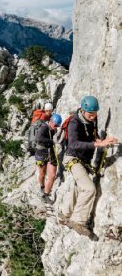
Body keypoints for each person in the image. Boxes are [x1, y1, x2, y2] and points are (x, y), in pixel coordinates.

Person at [58, 96, 118, 240]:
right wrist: (98, 145)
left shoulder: (92, 120)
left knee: (79, 187)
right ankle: (78, 221)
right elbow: (73, 145)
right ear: (83, 110)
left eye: (95, 114)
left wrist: (101, 141)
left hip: (83, 160)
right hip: (73, 159)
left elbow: (93, 136)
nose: (93, 117)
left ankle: (64, 214)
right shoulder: (74, 122)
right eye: (90, 114)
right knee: (89, 188)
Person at [35, 113, 62, 204]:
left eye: (57, 126)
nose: (56, 127)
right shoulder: (43, 127)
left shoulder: (52, 128)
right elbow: (38, 139)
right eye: (55, 125)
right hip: (41, 153)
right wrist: (52, 141)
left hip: (50, 153)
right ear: (50, 122)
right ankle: (42, 187)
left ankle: (45, 195)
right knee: (42, 173)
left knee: (52, 175)